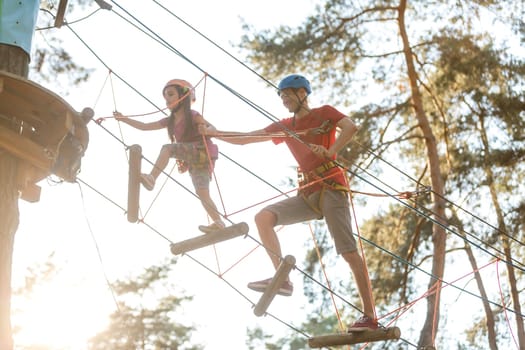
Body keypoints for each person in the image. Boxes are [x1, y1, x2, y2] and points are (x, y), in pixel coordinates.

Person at [200, 74, 378, 330]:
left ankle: (370, 316)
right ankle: (282, 278)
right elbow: (246, 138)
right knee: (263, 217)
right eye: (281, 97)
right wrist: (214, 133)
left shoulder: (324, 114)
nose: (284, 100)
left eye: (287, 95)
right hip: (307, 194)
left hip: (331, 188)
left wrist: (331, 150)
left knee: (348, 252)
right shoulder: (285, 126)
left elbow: (350, 127)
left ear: (302, 93)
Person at [114, 79, 225, 233]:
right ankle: (219, 222)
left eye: (171, 94)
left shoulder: (193, 115)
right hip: (195, 160)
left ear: (184, 96)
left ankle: (152, 178)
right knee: (202, 192)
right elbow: (145, 127)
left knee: (167, 149)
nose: (167, 99)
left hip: (201, 152)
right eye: (165, 96)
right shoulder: (170, 121)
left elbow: (212, 127)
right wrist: (124, 119)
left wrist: (207, 130)